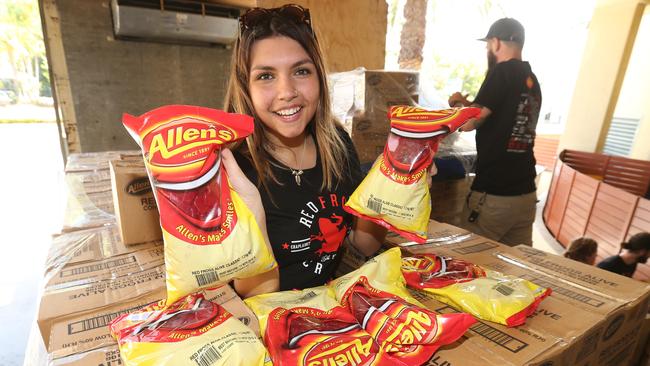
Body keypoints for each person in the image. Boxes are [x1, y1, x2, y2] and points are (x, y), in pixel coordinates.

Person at [220, 4, 387, 297]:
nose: (287, 92)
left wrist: (395, 181)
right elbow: (257, 296)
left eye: (301, 71)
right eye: (266, 76)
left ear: (319, 77)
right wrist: (252, 213)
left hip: (331, 313)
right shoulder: (233, 166)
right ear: (246, 87)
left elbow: (365, 244)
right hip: (271, 321)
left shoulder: (337, 143)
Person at [448, 18, 542, 247]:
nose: (488, 49)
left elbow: (470, 122)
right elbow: (504, 115)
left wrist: (457, 105)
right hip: (526, 193)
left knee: (467, 260)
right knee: (516, 266)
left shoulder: (502, 72)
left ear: (496, 42)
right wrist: (469, 103)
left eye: (488, 44)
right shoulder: (532, 80)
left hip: (495, 195)